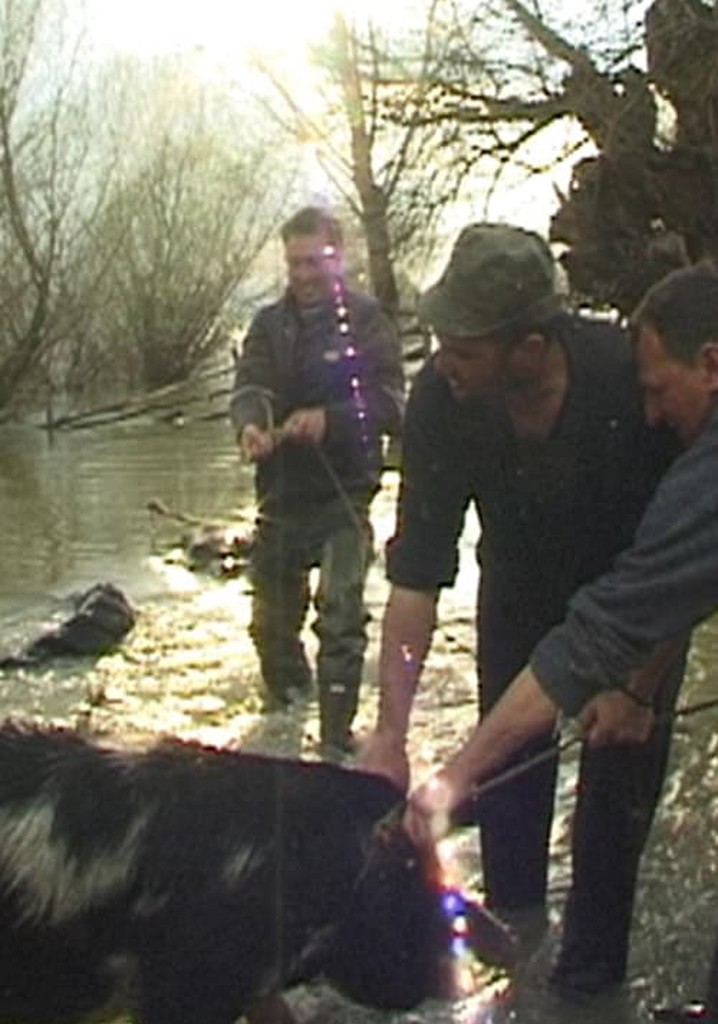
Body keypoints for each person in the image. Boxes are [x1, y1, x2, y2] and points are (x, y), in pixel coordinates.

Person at [361, 221, 688, 998]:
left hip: (636, 619)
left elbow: (687, 564)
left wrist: (638, 687)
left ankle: (585, 990)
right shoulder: (442, 401)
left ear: (533, 347)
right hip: (515, 603)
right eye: (439, 343)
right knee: (506, 819)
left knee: (610, 830)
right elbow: (415, 581)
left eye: (464, 349)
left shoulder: (626, 381)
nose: (444, 364)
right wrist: (389, 731)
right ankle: (516, 983)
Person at [230, 205, 404, 760]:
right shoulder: (266, 325)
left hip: (344, 495)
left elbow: (392, 403)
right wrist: (252, 426)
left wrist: (330, 420)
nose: (303, 274)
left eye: (314, 262)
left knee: (342, 616)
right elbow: (248, 385)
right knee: (271, 627)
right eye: (294, 263)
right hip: (279, 496)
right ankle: (284, 730)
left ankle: (334, 745)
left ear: (337, 258)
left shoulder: (369, 321)